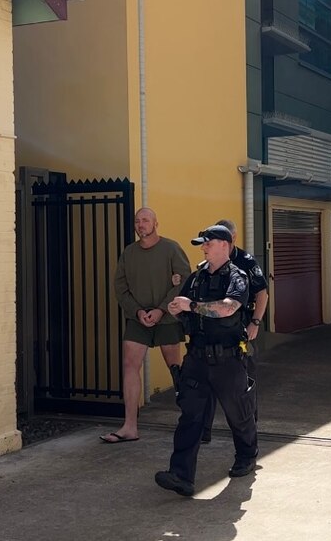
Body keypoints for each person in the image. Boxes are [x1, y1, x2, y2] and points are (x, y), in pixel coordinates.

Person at [154, 225, 258, 497]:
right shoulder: (197, 278)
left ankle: (247, 455)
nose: (204, 247)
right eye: (203, 244)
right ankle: (181, 475)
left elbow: (228, 308)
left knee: (238, 413)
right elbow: (183, 309)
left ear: (224, 244)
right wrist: (178, 309)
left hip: (228, 359)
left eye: (208, 243)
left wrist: (193, 306)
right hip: (197, 358)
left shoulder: (238, 276)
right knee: (191, 416)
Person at [99, 207, 191, 443]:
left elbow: (184, 281)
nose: (141, 225)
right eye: (138, 221)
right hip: (137, 318)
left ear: (155, 223)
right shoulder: (129, 253)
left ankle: (191, 421)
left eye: (146, 220)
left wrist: (161, 309)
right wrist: (138, 311)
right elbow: (120, 287)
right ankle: (130, 427)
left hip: (167, 317)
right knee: (130, 365)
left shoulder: (171, 248)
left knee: (176, 369)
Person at [200, 218, 268, 443]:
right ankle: (203, 432)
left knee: (244, 381)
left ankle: (250, 430)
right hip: (212, 333)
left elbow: (262, 293)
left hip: (241, 328)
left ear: (231, 240)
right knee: (205, 382)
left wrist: (255, 323)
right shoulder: (206, 265)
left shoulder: (245, 261)